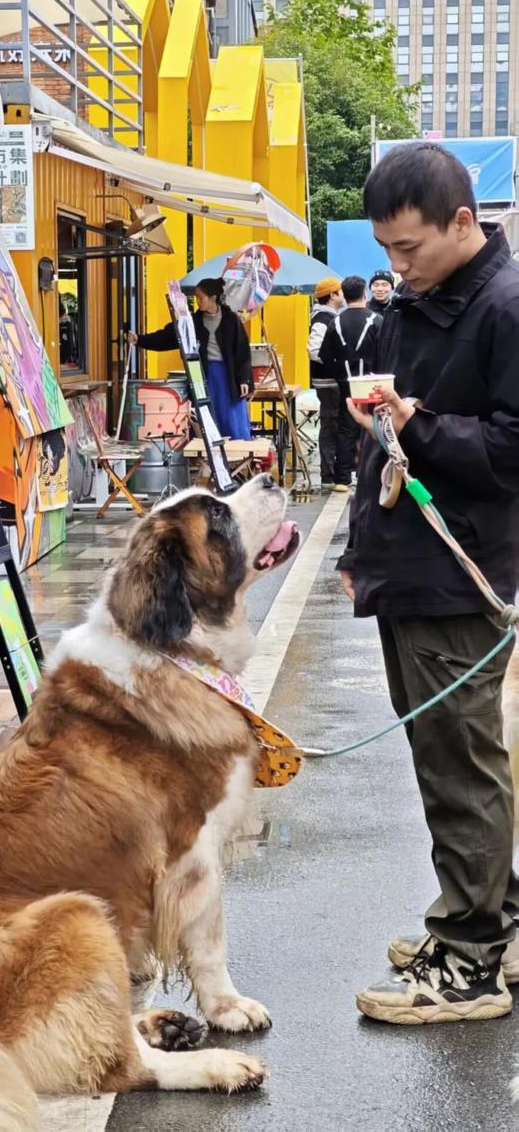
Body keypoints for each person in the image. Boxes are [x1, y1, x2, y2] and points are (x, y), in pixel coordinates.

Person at [338, 142, 519, 1024]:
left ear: (461, 222)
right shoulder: (417, 302)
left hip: (461, 567)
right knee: (447, 754)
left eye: (407, 249)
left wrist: (421, 425)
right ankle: (494, 923)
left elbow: (513, 452)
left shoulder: (506, 308)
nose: (394, 268)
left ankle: (471, 958)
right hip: (408, 560)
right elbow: (390, 434)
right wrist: (354, 547)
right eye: (385, 252)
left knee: (460, 762)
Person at [128, 278, 253, 439]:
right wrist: (140, 339)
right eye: (196, 297)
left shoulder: (231, 320)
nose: (197, 301)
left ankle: (239, 457)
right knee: (206, 417)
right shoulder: (193, 322)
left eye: (201, 297)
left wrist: (245, 380)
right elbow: (167, 337)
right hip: (203, 375)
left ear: (213, 298)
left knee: (232, 418)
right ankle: (208, 458)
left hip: (228, 376)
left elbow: (242, 351)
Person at [318, 275, 380, 490]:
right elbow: (387, 351)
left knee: (346, 428)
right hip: (373, 382)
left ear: (344, 296)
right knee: (374, 426)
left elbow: (324, 354)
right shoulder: (376, 320)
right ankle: (372, 475)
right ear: (365, 294)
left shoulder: (335, 322)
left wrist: (339, 374)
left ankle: (342, 478)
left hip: (347, 382)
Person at [308, 276, 346, 491]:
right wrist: (334, 363)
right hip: (327, 381)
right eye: (339, 292)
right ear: (332, 295)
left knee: (332, 424)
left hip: (328, 380)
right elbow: (314, 349)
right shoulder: (323, 318)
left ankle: (330, 471)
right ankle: (328, 473)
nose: (342, 296)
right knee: (331, 424)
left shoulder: (326, 316)